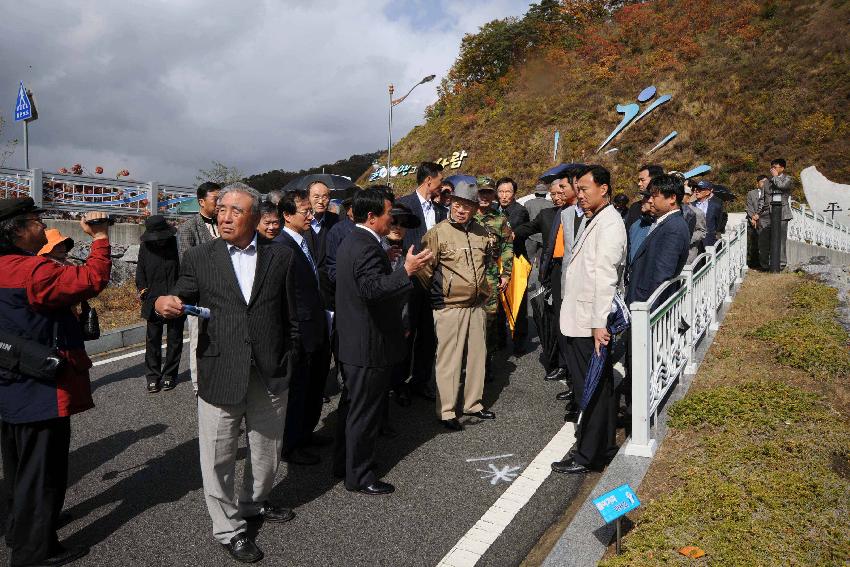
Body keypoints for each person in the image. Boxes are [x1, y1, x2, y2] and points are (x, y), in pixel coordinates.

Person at [155, 183, 299, 563]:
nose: (225, 215)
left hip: (269, 368)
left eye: (236, 210)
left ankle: (254, 504)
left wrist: (290, 356)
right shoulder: (201, 257)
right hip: (220, 366)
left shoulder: (281, 256)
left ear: (254, 216)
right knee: (217, 456)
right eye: (221, 209)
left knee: (267, 451)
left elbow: (292, 315)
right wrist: (165, 302)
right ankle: (229, 529)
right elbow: (181, 293)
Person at [0, 199, 112, 567]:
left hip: (11, 383)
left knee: (19, 470)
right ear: (16, 230)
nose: (43, 228)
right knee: (43, 473)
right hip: (41, 389)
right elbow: (90, 280)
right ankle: (33, 553)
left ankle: (24, 531)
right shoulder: (31, 271)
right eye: (35, 221)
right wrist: (100, 238)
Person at [333, 187, 432, 494]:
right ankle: (360, 475)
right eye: (389, 213)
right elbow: (374, 290)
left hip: (355, 341)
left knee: (352, 409)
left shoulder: (358, 240)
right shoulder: (364, 245)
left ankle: (345, 464)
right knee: (364, 413)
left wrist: (388, 260)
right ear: (372, 216)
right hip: (368, 344)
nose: (393, 220)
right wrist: (406, 270)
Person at [552, 165, 626, 475]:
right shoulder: (595, 219)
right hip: (583, 318)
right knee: (601, 385)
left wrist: (598, 324)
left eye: (584, 189)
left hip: (588, 323)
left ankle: (587, 456)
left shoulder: (609, 224)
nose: (579, 195)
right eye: (577, 189)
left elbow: (605, 279)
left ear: (604, 189)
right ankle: (603, 444)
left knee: (590, 388)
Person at [417, 180, 496, 431]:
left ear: (475, 208)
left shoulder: (482, 232)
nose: (461, 210)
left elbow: (488, 264)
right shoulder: (437, 233)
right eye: (458, 204)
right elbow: (423, 271)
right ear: (451, 203)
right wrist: (437, 299)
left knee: (477, 356)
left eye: (467, 206)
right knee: (449, 360)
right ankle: (447, 410)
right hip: (448, 306)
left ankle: (474, 403)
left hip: (476, 305)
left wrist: (486, 290)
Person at [274, 190, 332, 466]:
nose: (310, 215)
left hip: (317, 323)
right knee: (298, 390)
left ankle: (307, 432)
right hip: (301, 329)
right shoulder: (282, 245)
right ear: (287, 215)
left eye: (310, 210)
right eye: (304, 211)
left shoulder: (305, 238)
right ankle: (291, 444)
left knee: (314, 385)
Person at [514, 166, 584, 383]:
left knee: (572, 321)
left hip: (574, 272)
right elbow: (526, 229)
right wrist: (510, 235)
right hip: (553, 271)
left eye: (561, 191)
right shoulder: (547, 215)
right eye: (553, 193)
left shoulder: (579, 214)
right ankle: (559, 363)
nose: (557, 196)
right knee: (554, 319)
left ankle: (572, 368)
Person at [395, 162, 446, 400]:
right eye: (439, 180)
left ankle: (421, 380)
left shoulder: (439, 211)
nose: (441, 185)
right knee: (406, 332)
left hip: (433, 281)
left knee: (428, 333)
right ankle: (400, 383)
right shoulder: (404, 205)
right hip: (410, 279)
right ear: (428, 180)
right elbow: (396, 239)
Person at [178, 181, 221, 394]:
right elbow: (187, 265)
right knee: (198, 339)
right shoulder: (188, 228)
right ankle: (199, 384)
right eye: (216, 199)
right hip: (200, 296)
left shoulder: (224, 223)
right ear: (202, 202)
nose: (220, 203)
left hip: (224, 294)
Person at [625, 174, 691, 306]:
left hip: (646, 304)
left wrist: (649, 310)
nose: (649, 200)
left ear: (672, 198)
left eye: (654, 196)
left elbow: (661, 276)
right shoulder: (665, 222)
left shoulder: (673, 228)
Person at [136, 215, 184, 393]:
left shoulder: (176, 244)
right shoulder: (145, 246)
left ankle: (170, 375)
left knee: (175, 338)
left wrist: (180, 295)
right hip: (152, 299)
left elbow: (183, 269)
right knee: (153, 339)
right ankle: (152, 376)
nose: (160, 241)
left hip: (176, 298)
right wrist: (144, 292)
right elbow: (140, 271)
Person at [475, 181, 513, 378]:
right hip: (467, 278)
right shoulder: (467, 215)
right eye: (482, 192)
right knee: (468, 319)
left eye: (489, 193)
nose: (485, 196)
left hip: (490, 277)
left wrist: (506, 273)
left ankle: (486, 362)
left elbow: (507, 246)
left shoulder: (500, 219)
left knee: (490, 319)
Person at [494, 176, 529, 353]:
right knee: (498, 302)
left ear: (514, 193)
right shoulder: (493, 208)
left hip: (515, 261)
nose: (504, 195)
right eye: (501, 191)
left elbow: (509, 230)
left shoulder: (519, 211)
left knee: (518, 300)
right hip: (496, 262)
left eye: (508, 192)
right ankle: (500, 339)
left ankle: (519, 341)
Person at [304, 181, 340, 308]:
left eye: (325, 197)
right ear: (308, 198)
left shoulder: (337, 221)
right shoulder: (299, 222)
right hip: (305, 290)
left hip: (331, 291)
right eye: (316, 196)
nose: (321, 201)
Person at [757, 158, 793, 270]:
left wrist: (776, 177)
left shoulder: (788, 179)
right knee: (764, 240)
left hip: (782, 213)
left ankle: (781, 264)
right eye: (771, 167)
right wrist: (758, 213)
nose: (772, 169)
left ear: (782, 168)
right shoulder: (767, 182)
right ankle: (765, 265)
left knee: (780, 239)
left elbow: (782, 187)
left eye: (775, 167)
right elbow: (763, 199)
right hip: (767, 214)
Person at [522, 182, 554, 270]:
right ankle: (540, 280)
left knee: (528, 260)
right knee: (541, 261)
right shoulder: (551, 205)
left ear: (535, 193)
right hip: (544, 237)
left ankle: (526, 280)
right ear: (545, 194)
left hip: (531, 236)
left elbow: (524, 220)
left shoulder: (527, 203)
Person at [691, 180, 723, 247]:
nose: (697, 191)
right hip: (693, 242)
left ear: (708, 192)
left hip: (709, 241)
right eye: (696, 188)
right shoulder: (690, 206)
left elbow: (718, 223)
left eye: (700, 189)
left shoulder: (716, 206)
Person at [682, 181, 707, 263]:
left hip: (689, 253)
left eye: (683, 195)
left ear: (688, 197)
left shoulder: (697, 213)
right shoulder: (672, 211)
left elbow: (702, 231)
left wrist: (688, 239)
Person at [746, 175, 768, 269]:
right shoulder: (751, 193)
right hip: (752, 221)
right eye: (762, 181)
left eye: (766, 181)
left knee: (764, 243)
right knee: (752, 243)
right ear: (757, 183)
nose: (764, 183)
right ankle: (752, 263)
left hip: (765, 221)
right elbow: (749, 207)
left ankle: (764, 263)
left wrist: (759, 217)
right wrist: (753, 218)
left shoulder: (769, 193)